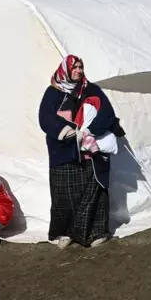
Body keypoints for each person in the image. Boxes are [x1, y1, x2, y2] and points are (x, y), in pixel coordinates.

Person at [38, 54, 123, 249]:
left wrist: (90, 133)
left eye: (80, 67)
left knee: (94, 192)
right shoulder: (53, 93)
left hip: (89, 152)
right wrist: (68, 133)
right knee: (64, 194)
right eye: (74, 67)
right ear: (65, 70)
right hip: (63, 151)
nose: (78, 71)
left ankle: (96, 232)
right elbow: (45, 118)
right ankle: (66, 233)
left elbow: (106, 113)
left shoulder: (91, 90)